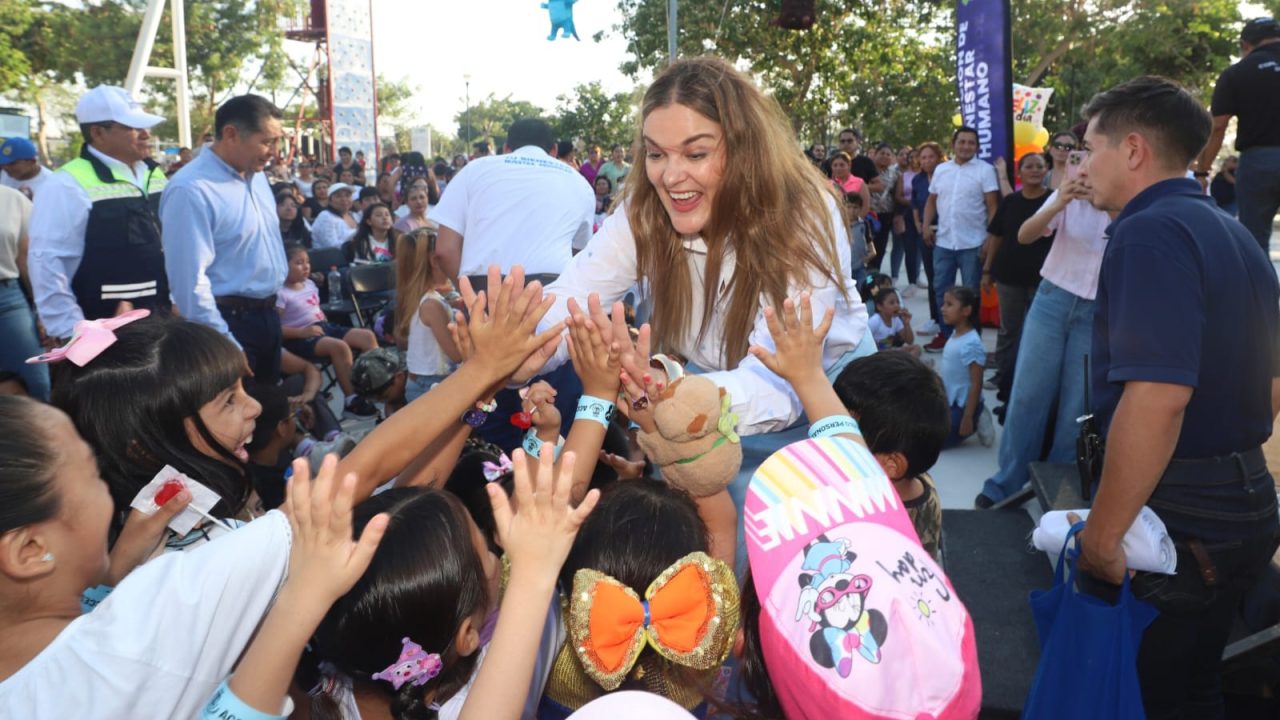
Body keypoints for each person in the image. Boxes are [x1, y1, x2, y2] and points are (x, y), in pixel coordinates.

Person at [531, 57, 871, 570]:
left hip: (816, 402)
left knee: (801, 573)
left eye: (696, 153)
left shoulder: (802, 213)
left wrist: (673, 394)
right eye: (655, 154)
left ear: (744, 149)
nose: (671, 176)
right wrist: (520, 345)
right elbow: (578, 295)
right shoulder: (645, 207)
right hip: (695, 404)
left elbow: (780, 381)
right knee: (702, 572)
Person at [1075, 75, 1280, 719]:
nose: (1082, 165)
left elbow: (1158, 396)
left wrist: (1104, 536)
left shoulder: (1150, 232)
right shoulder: (1233, 230)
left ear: (1133, 149)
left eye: (1089, 148)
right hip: (1244, 501)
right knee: (1196, 691)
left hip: (1180, 517)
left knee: (1149, 698)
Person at [0, 394, 368, 720]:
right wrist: (305, 597)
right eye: (94, 477)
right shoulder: (133, 632)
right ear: (29, 550)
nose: (253, 406)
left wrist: (116, 567)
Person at [975, 153, 1110, 508]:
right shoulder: (1075, 177)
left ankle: (1059, 486)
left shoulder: (1131, 188)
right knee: (1027, 395)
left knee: (1077, 407)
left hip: (1100, 307)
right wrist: (1060, 201)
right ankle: (1006, 483)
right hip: (1053, 298)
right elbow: (1025, 234)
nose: (1084, 155)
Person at [160, 94, 288, 382]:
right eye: (267, 141)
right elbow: (189, 281)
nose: (274, 152)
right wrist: (223, 341)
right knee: (236, 422)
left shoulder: (257, 178)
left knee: (268, 412)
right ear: (230, 134)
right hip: (227, 323)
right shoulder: (191, 189)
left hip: (267, 317)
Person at [28, 85, 171, 343]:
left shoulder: (154, 173)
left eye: (145, 126)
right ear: (97, 132)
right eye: (132, 127)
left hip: (164, 319)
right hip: (105, 328)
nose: (145, 134)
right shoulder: (65, 184)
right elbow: (48, 263)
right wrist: (71, 331)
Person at [434, 117, 595, 289]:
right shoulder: (579, 183)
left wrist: (471, 298)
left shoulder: (473, 170)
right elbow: (581, 254)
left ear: (506, 149)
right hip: (551, 295)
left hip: (484, 289)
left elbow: (445, 250)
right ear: (554, 150)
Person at [835, 352, 949, 560]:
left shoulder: (882, 525)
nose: (831, 437)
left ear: (891, 464)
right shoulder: (914, 479)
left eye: (846, 431)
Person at [1196, 17, 1280, 251]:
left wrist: (1202, 172)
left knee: (1254, 240)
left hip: (1258, 163)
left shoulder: (1237, 73)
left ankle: (1264, 287)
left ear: (1245, 45)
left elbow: (1218, 127)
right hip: (1258, 162)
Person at [277, 244, 380, 417]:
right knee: (339, 347)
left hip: (322, 327)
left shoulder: (309, 284)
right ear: (282, 266)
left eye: (307, 262)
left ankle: (377, 384)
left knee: (367, 336)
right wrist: (301, 333)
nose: (306, 266)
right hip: (300, 337)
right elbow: (275, 329)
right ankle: (351, 400)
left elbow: (315, 310)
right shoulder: (281, 293)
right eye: (298, 263)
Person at [982, 152, 1053, 401]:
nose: (1034, 170)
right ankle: (1002, 374)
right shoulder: (1010, 202)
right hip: (1008, 275)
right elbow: (997, 236)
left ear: (1046, 170)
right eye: (1029, 166)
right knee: (1008, 329)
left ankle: (1032, 377)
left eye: (1039, 166)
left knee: (1039, 332)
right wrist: (987, 270)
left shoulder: (1055, 201)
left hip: (1043, 279)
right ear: (1020, 172)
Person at [922, 126, 999, 351]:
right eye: (962, 141)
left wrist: (989, 238)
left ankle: (970, 340)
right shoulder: (941, 170)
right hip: (944, 242)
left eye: (971, 143)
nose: (966, 146)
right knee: (940, 290)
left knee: (971, 295)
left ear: (977, 146)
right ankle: (946, 335)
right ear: (953, 144)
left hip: (973, 243)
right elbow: (931, 201)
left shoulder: (985, 170)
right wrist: (926, 226)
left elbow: (993, 207)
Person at [394, 229, 462, 404]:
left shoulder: (415, 296)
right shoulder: (432, 305)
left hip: (420, 381)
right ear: (434, 260)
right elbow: (457, 355)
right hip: (433, 385)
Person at [0, 185, 48, 400]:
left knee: (36, 384)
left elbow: (27, 259)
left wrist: (42, 311)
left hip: (7, 299)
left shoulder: (12, 199)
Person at [938, 286, 993, 447]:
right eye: (944, 304)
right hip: (949, 400)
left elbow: (977, 383)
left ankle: (978, 416)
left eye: (949, 304)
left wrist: (968, 417)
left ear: (966, 310)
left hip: (962, 407)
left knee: (935, 443)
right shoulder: (955, 334)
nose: (943, 308)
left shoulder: (972, 344)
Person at [911, 141, 943, 335]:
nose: (927, 160)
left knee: (943, 277)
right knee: (932, 277)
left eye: (931, 156)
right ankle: (935, 318)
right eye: (923, 157)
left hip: (947, 231)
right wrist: (919, 225)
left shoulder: (946, 175)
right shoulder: (918, 180)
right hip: (925, 231)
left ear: (939, 157)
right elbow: (915, 204)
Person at [825, 127, 882, 193]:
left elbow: (879, 186)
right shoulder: (829, 162)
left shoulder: (866, 162)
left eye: (850, 141)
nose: (846, 144)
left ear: (857, 142)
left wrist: (857, 186)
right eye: (842, 141)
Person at [867, 286, 919, 357]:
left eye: (897, 302)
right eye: (892, 303)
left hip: (890, 352)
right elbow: (865, 343)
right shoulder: (874, 321)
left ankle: (905, 364)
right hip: (877, 355)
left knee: (916, 348)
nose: (897, 305)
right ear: (879, 306)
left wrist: (906, 323)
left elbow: (909, 341)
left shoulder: (895, 319)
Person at [311, 183, 359, 250]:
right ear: (330, 201)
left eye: (347, 195)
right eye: (338, 196)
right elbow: (331, 248)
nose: (344, 199)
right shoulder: (325, 217)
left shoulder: (355, 215)